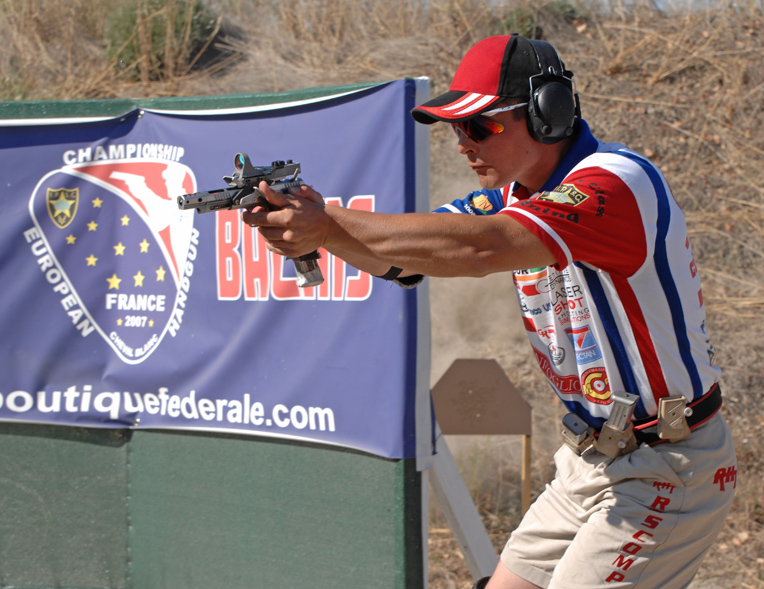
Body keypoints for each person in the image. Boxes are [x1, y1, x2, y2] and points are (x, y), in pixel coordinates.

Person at [243, 34, 737, 589]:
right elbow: (406, 258)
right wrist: (317, 232)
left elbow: (481, 248)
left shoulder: (615, 183)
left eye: (481, 125)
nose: (463, 142)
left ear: (548, 113)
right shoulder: (516, 192)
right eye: (457, 128)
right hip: (590, 460)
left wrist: (328, 223)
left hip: (667, 464)